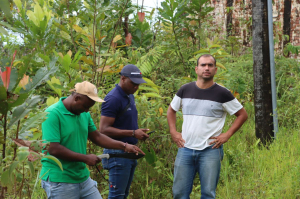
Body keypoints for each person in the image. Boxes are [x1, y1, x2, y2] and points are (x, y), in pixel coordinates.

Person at [40, 81, 144, 199]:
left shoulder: (84, 114)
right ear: (77, 98)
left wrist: (124, 146)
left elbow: (97, 137)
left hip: (82, 177)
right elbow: (53, 148)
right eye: (85, 106)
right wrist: (85, 158)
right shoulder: (53, 113)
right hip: (60, 179)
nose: (86, 111)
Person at [167, 54, 248, 199]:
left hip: (210, 150)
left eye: (210, 65)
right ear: (196, 69)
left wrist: (227, 135)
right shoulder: (185, 90)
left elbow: (242, 115)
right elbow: (171, 110)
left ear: (215, 70)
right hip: (185, 148)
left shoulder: (223, 93)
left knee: (208, 194)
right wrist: (173, 131)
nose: (207, 68)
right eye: (203, 65)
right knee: (179, 193)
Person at [99, 64, 149, 199]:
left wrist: (138, 133)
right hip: (117, 154)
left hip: (129, 152)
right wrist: (133, 133)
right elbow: (103, 129)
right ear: (123, 79)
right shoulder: (113, 98)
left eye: (138, 84)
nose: (136, 87)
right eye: (133, 84)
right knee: (117, 196)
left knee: (123, 195)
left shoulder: (129, 95)